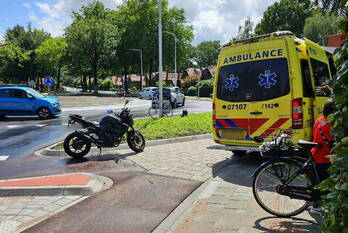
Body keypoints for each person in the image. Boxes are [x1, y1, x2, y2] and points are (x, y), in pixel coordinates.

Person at [308, 99, 335, 214]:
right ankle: (316, 206)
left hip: (315, 154)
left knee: (316, 181)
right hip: (324, 157)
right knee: (324, 183)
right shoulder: (331, 124)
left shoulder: (319, 120)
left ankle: (312, 203)